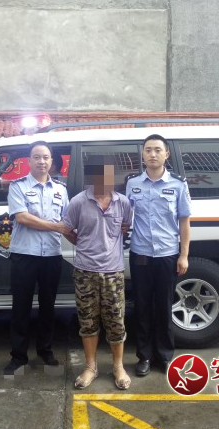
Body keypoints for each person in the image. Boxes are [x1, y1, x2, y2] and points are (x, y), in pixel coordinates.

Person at [61, 155, 133, 390]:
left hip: (113, 272)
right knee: (88, 321)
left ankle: (118, 366)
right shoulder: (78, 202)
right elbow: (66, 229)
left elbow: (126, 227)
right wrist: (82, 243)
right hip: (85, 272)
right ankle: (90, 367)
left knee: (116, 321)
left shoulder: (123, 202)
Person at [4, 141, 73, 376]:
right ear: (29, 160)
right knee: (20, 307)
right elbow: (22, 218)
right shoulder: (18, 186)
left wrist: (82, 240)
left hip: (51, 256)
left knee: (48, 306)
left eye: (45, 157)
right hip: (25, 255)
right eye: (36, 157)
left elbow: (68, 222)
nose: (41, 161)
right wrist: (56, 226)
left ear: (51, 161)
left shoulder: (61, 190)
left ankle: (45, 350)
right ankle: (18, 357)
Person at [126, 134, 192, 376]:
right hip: (140, 254)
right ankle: (144, 356)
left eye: (157, 150)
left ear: (166, 154)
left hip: (167, 254)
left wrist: (184, 255)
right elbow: (125, 217)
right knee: (142, 306)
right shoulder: (133, 183)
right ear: (142, 154)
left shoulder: (178, 184)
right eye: (148, 150)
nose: (152, 154)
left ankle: (164, 356)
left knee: (164, 306)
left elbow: (184, 222)